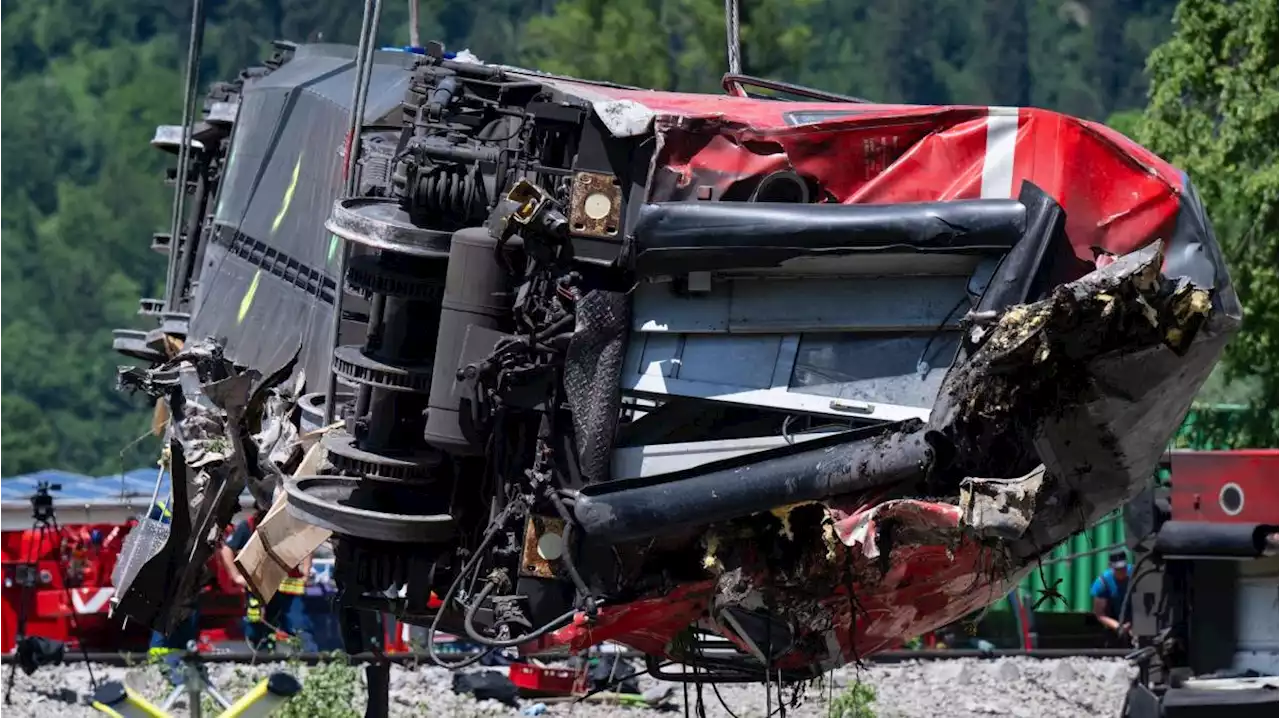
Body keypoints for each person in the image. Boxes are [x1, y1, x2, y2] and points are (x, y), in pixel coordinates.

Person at [220, 511, 316, 652]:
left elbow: (305, 543)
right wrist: (236, 576)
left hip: (287, 590)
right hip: (261, 590)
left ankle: (304, 661)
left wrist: (306, 571)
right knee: (258, 628)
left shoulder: (289, 524)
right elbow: (227, 549)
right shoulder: (249, 525)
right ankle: (262, 659)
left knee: (298, 628)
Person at [1091, 549, 1134, 643]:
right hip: (1114, 621)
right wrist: (1119, 627)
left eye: (1123, 568)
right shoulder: (1102, 583)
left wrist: (1133, 623)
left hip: (1136, 617)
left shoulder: (1136, 574)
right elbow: (1100, 614)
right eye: (1118, 569)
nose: (1121, 571)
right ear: (1111, 567)